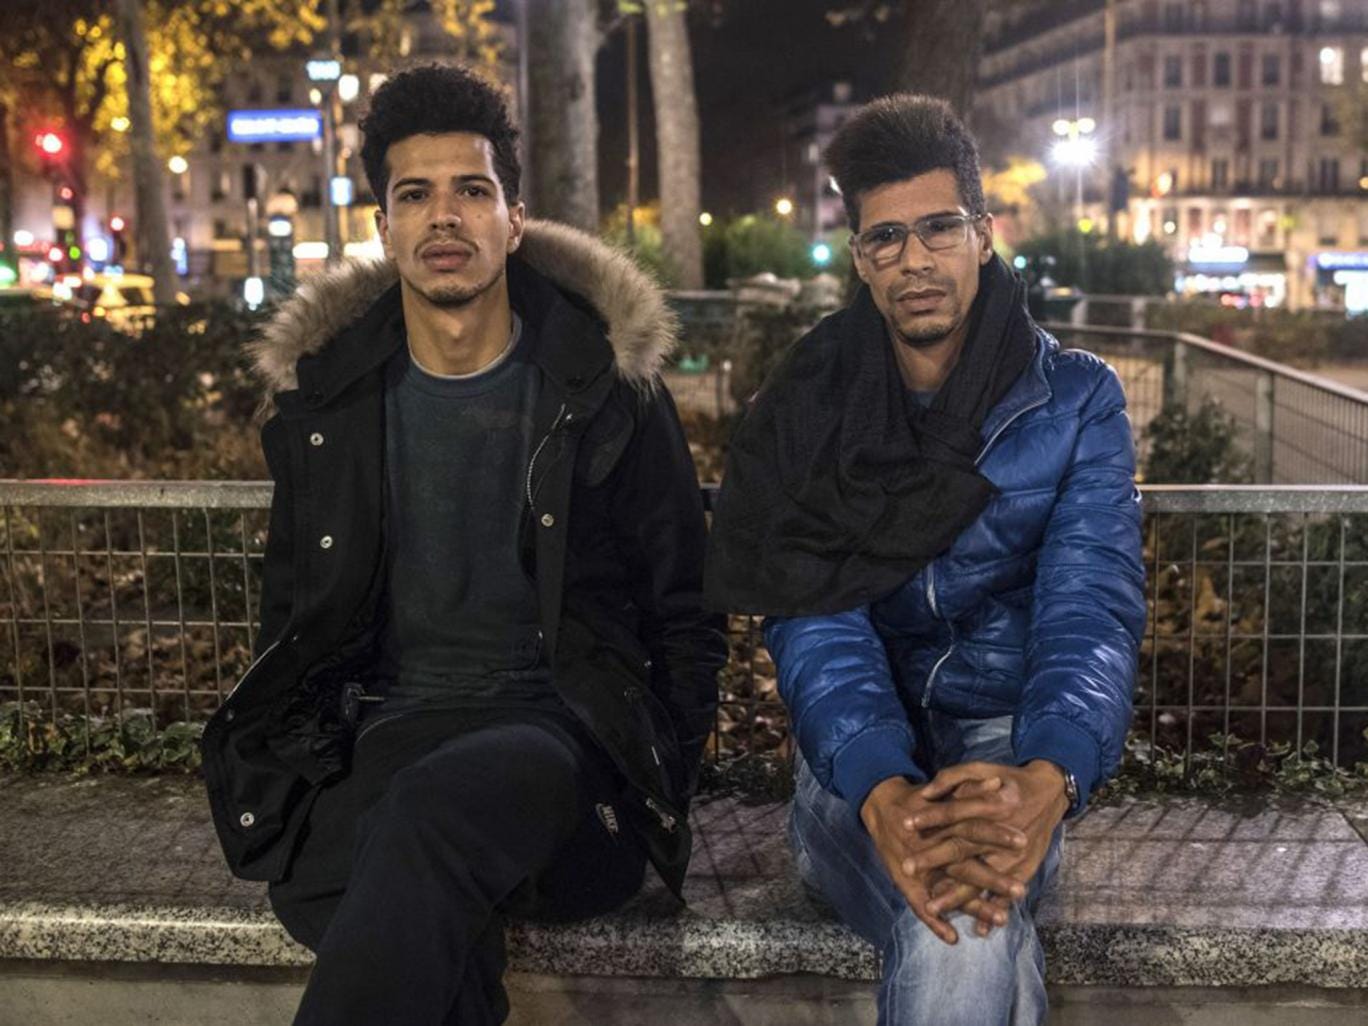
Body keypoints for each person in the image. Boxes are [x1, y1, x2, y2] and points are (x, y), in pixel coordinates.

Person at [200, 63, 727, 1026]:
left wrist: (667, 776)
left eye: (472, 191)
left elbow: (685, 612)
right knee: (410, 874)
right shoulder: (331, 408)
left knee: (412, 829)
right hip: (386, 732)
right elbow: (294, 615)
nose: (444, 216)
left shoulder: (603, 391)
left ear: (515, 220)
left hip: (557, 737)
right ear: (383, 227)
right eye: (415, 194)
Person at [705, 94, 1146, 1025]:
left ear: (983, 235)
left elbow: (1091, 606)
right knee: (969, 921)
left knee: (968, 926)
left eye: (939, 228)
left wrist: (1049, 775)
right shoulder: (811, 400)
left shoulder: (1075, 401)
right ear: (860, 259)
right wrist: (880, 783)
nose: (914, 259)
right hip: (855, 768)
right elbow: (813, 614)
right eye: (886, 237)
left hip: (1008, 752)